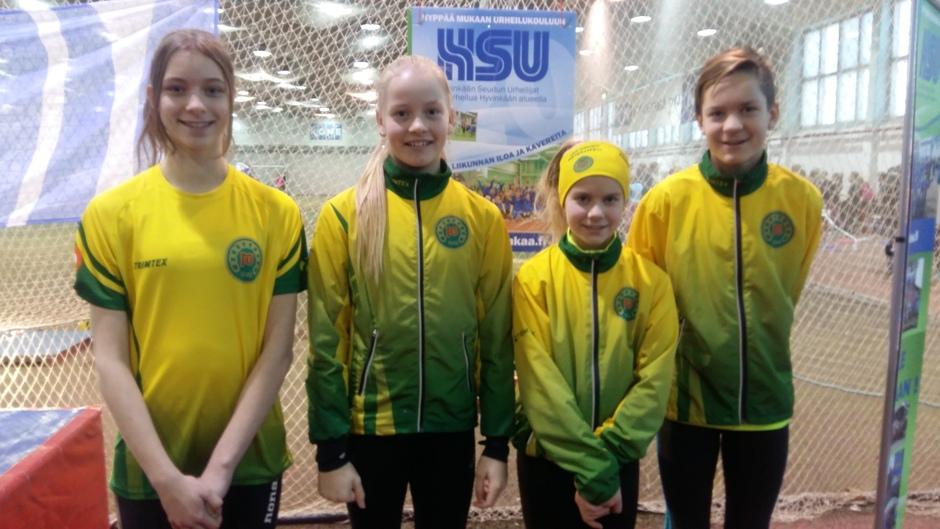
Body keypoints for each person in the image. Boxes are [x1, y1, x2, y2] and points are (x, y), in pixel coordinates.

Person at [73, 29, 306, 529]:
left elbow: (278, 351)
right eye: (177, 88)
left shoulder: (277, 214)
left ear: (231, 97)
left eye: (212, 89)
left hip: (249, 462)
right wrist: (166, 480)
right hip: (150, 469)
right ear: (154, 98)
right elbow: (110, 360)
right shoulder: (110, 216)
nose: (195, 104)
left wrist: (220, 470)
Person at [305, 54, 514, 529]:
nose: (417, 126)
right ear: (380, 120)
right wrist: (331, 451)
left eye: (431, 112)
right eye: (401, 113)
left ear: (451, 118)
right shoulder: (343, 218)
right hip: (371, 428)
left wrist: (497, 444)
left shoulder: (482, 219)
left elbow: (497, 337)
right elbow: (326, 341)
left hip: (451, 427)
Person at [627, 47, 823, 529]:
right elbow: (643, 304)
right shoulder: (664, 203)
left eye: (748, 108)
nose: (732, 125)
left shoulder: (802, 200)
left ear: (773, 113)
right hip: (684, 403)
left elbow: (789, 288)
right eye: (717, 113)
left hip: (765, 402)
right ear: (699, 120)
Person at [512, 140, 679, 529]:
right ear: (562, 199)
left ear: (625, 202)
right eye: (583, 198)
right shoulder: (533, 280)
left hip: (616, 459)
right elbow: (539, 384)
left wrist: (604, 464)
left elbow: (654, 382)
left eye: (610, 199)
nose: (596, 212)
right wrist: (594, 469)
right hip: (547, 458)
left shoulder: (651, 283)